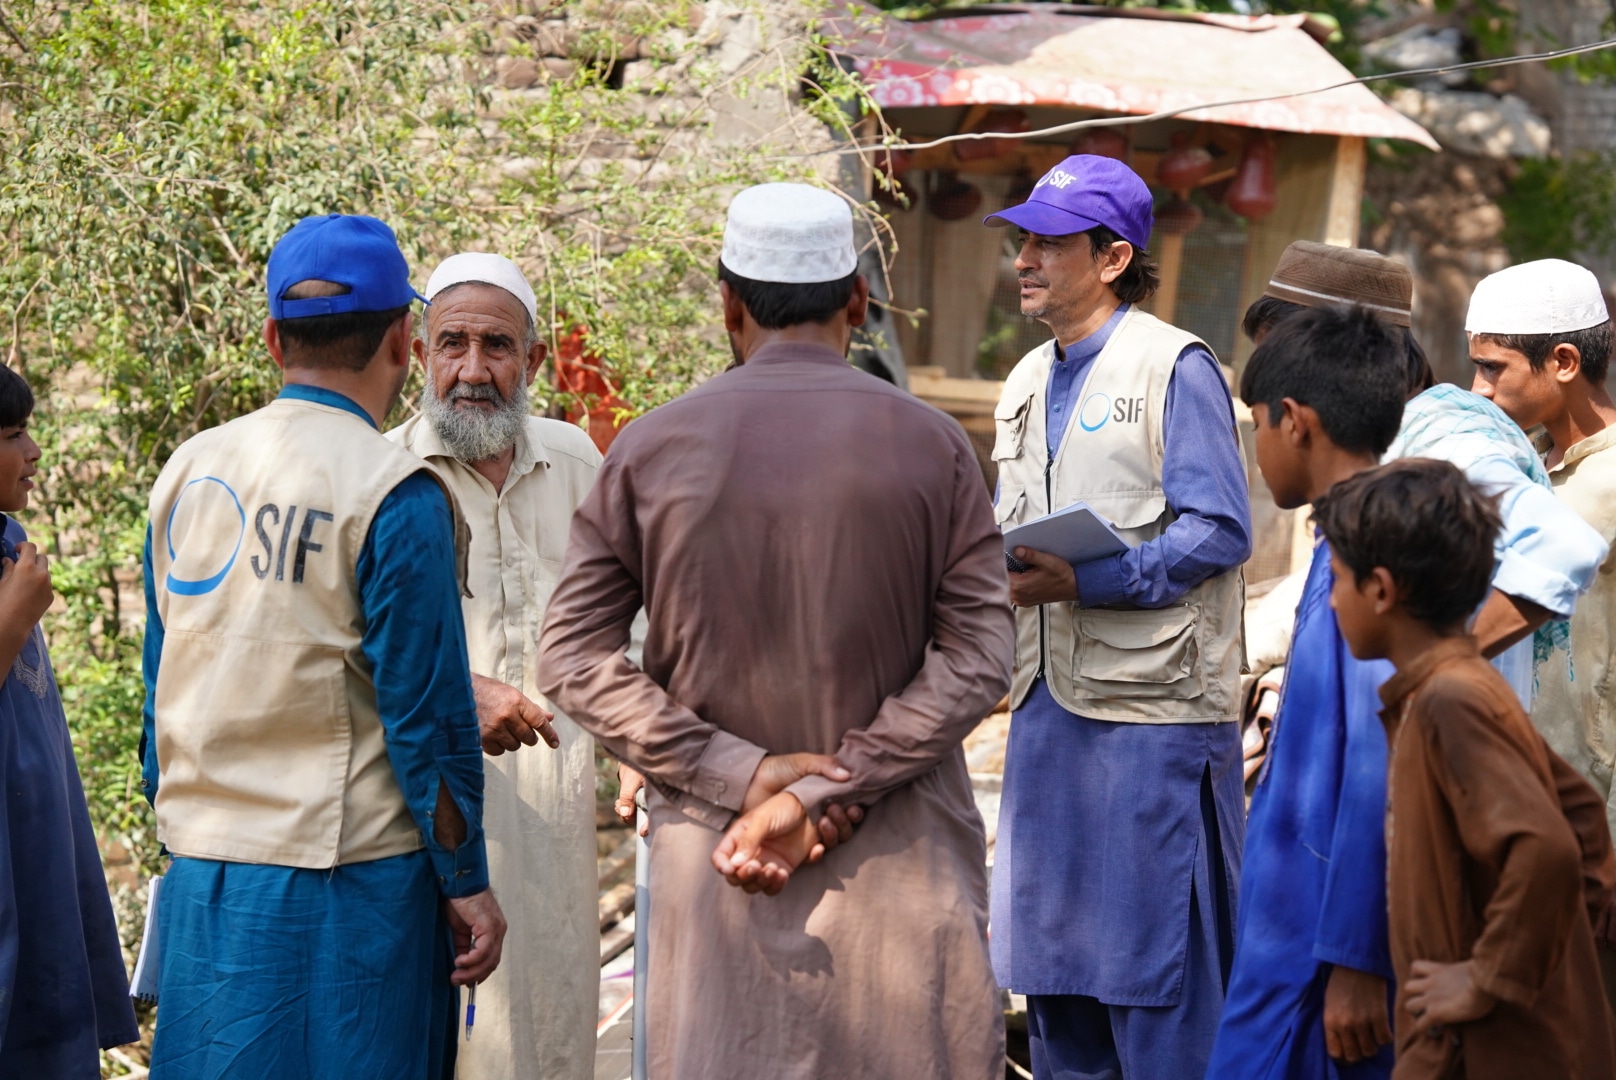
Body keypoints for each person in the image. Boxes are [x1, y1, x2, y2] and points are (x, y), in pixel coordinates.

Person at [536, 182, 1013, 1079]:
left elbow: (571, 653)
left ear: (727, 302)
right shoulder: (934, 444)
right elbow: (981, 656)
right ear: (858, 304)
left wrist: (742, 774)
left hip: (720, 861)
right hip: (897, 874)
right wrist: (825, 791)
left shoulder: (651, 446)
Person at [141, 214, 505, 1079]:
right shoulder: (394, 492)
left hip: (207, 886)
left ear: (272, 338)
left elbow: (160, 686)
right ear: (404, 342)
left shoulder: (191, 471)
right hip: (353, 892)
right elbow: (426, 721)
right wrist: (467, 883)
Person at [984, 155, 1251, 1079]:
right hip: (1047, 710)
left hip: (1155, 723)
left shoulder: (1176, 366)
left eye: (1048, 243)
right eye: (1023, 240)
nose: (1024, 258)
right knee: (1054, 981)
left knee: (1158, 986)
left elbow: (1221, 528)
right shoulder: (1022, 379)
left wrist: (1091, 583)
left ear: (1111, 257)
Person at [1315, 458, 1616, 1080]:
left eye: (1336, 580)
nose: (1331, 599)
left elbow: (1548, 847)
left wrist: (1490, 978)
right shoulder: (1458, 685)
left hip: (1480, 1046)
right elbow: (1581, 813)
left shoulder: (1449, 703)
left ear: (1380, 591)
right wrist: (1555, 959)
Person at [387, 252, 603, 1080]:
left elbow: (636, 622)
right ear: (418, 353)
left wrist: (643, 757)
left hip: (557, 815)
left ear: (535, 362)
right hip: (431, 824)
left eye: (497, 347)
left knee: (553, 1035)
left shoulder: (578, 462)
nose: (472, 371)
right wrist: (454, 690)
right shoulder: (384, 477)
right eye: (453, 345)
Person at [1242, 242, 1606, 709]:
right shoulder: (1386, 446)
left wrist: (1433, 671)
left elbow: (1563, 547)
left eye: (1276, 363)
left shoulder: (1446, 437)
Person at [1206, 305, 1410, 1079]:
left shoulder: (1368, 559)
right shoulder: (1341, 543)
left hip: (1321, 952)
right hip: (1287, 930)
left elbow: (1376, 767)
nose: (1255, 450)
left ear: (1293, 421)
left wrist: (1358, 960)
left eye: (1255, 424)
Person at [0, 364, 139, 1073]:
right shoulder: (15, 586)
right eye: (13, 434)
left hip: (34, 844)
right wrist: (11, 620)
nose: (34, 452)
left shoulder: (10, 548)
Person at [1466, 259, 1616, 836]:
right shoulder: (1503, 462)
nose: (1478, 387)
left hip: (1583, 810)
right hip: (1495, 785)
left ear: (1563, 363)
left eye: (1492, 368)